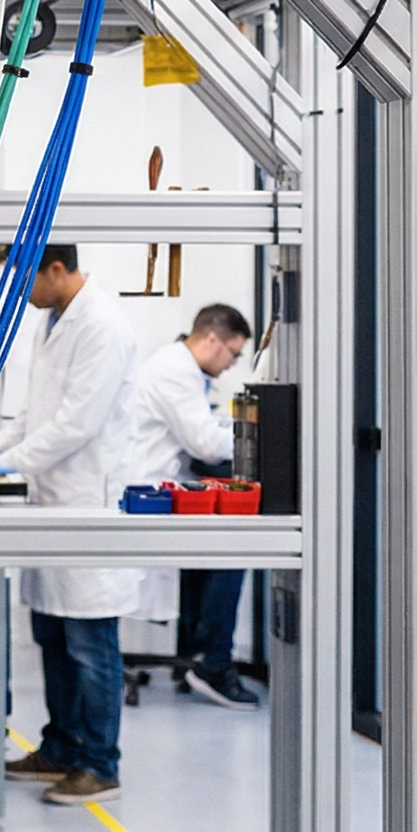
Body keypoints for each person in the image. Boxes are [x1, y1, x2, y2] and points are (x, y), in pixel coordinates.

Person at [0, 244, 138, 806]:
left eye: (23, 278)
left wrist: (11, 464)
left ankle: (100, 765)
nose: (17, 291)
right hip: (51, 501)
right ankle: (60, 748)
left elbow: (77, 423)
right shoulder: (51, 321)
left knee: (91, 642)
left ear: (56, 269)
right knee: (52, 632)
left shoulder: (102, 326)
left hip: (87, 503)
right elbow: (34, 412)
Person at [120, 303, 258, 710]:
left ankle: (198, 656)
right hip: (149, 495)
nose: (231, 364)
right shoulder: (174, 371)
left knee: (212, 548)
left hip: (159, 489)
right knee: (233, 547)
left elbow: (204, 432)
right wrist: (255, 434)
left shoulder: (179, 367)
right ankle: (212, 663)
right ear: (212, 340)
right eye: (232, 354)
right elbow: (207, 445)